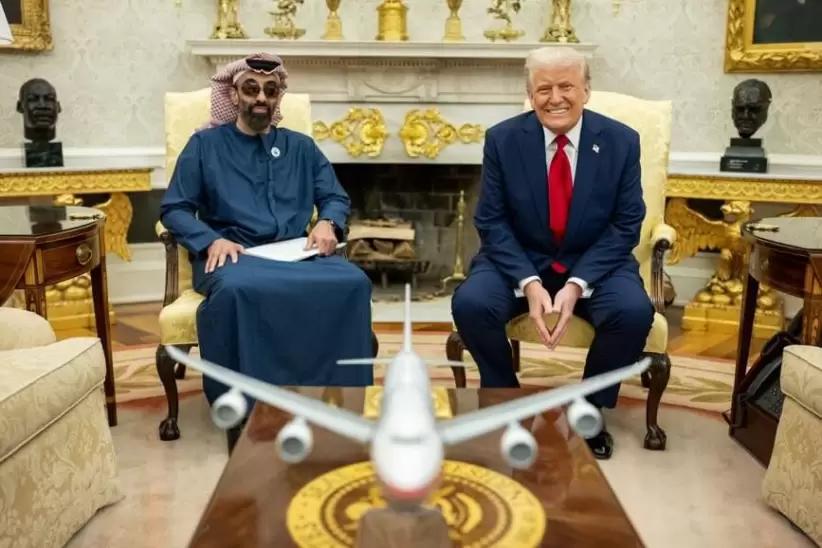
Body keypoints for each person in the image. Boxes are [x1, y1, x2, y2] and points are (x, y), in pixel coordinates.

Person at [451, 47, 653, 460]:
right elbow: (491, 220)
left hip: (595, 261)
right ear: (530, 95)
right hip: (518, 259)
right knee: (470, 303)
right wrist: (529, 282)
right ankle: (507, 402)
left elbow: (626, 223)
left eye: (566, 87)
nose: (555, 98)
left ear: (586, 91)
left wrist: (577, 283)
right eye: (543, 89)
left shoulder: (621, 142)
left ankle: (589, 408)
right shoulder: (503, 139)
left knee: (633, 312)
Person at [160, 53, 373, 410]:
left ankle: (337, 400)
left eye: (270, 91)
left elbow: (335, 196)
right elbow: (175, 208)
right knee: (237, 291)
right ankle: (244, 404)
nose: (261, 97)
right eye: (251, 89)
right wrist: (211, 239)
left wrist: (328, 222)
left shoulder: (301, 147)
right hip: (234, 255)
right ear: (233, 95)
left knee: (353, 282)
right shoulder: (205, 145)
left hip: (299, 254)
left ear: (277, 99)